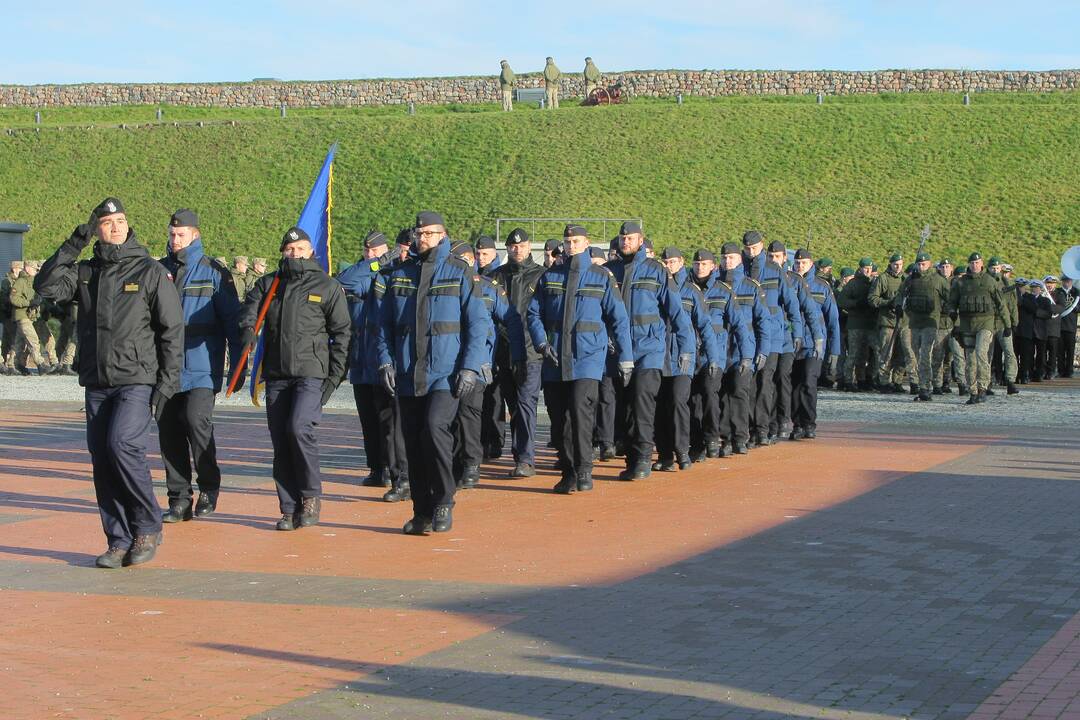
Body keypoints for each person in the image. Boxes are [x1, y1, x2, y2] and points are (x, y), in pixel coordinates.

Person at [35, 197, 184, 568]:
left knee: (123, 446)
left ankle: (148, 526)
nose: (115, 227)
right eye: (106, 222)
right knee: (102, 459)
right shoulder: (86, 272)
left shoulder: (149, 271)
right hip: (97, 381)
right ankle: (118, 539)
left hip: (136, 380)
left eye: (120, 220)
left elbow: (171, 330)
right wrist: (75, 241)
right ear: (96, 229)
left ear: (128, 225)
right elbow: (46, 284)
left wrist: (167, 383)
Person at [375, 212, 489, 535]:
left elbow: (479, 323)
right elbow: (383, 326)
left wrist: (469, 367)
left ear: (442, 235)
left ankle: (443, 501)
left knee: (434, 427)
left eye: (428, 233)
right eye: (418, 232)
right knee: (412, 441)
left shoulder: (459, 271)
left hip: (446, 372)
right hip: (409, 372)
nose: (421, 238)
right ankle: (422, 510)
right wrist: (385, 361)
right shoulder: (399, 274)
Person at [240, 226, 351, 531]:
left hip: (311, 372)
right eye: (289, 250)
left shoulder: (327, 286)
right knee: (281, 440)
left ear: (310, 251)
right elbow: (249, 308)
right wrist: (248, 328)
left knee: (299, 428)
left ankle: (311, 496)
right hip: (277, 373)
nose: (294, 254)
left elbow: (343, 334)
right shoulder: (270, 284)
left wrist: (333, 378)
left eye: (300, 248)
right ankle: (289, 508)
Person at [527, 224, 631, 493]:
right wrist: (541, 342)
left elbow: (618, 319)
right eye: (568, 241)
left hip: (587, 358)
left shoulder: (601, 277)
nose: (571, 245)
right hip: (554, 359)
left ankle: (584, 470)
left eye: (576, 241)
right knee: (559, 418)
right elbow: (533, 313)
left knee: (580, 413)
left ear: (586, 243)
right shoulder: (550, 276)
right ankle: (568, 470)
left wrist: (625, 357)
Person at [157, 209, 245, 522]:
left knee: (196, 422)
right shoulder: (158, 270)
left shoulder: (214, 272)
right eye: (171, 234)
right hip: (165, 368)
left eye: (180, 234)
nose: (174, 240)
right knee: (168, 432)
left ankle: (209, 486)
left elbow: (234, 323)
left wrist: (238, 366)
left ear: (195, 235)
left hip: (201, 366)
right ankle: (178, 498)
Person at [606, 222, 694, 479]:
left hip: (649, 349)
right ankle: (632, 459)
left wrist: (686, 349)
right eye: (622, 238)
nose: (625, 242)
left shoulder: (656, 271)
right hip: (618, 352)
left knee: (642, 402)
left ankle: (643, 459)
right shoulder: (609, 272)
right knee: (622, 407)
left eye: (630, 238)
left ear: (640, 240)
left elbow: (676, 312)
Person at [449, 242, 525, 489]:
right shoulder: (443, 286)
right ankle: (453, 463)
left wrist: (517, 353)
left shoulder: (487, 287)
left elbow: (511, 319)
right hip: (446, 362)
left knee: (469, 415)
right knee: (446, 418)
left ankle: (471, 465)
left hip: (478, 363)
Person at [338, 231, 407, 499]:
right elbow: (344, 281)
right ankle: (376, 468)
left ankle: (393, 469)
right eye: (367, 251)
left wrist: (380, 265)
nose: (369, 254)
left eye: (375, 251)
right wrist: (373, 263)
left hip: (381, 361)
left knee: (387, 420)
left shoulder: (388, 276)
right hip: (360, 360)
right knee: (368, 419)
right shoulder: (367, 270)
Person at [655, 247, 720, 470]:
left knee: (678, 401)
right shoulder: (655, 287)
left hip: (684, 355)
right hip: (658, 355)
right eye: (665, 262)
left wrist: (713, 358)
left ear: (682, 262)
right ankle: (664, 455)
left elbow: (705, 326)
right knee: (659, 405)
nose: (669, 265)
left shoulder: (691, 291)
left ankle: (682, 450)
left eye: (673, 261)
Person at [489, 228, 546, 477]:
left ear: (529, 246)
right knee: (512, 403)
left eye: (521, 246)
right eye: (512, 246)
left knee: (525, 403)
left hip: (530, 350)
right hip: (502, 351)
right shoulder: (496, 277)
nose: (516, 249)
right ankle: (519, 454)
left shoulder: (541, 276)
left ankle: (525, 459)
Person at [741, 231, 801, 446]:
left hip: (773, 336)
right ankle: (747, 427)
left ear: (761, 246)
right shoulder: (740, 269)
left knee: (765, 383)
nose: (750, 252)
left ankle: (762, 429)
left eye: (754, 248)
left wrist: (797, 332)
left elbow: (791, 303)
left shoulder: (774, 270)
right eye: (747, 248)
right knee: (748, 383)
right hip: (747, 335)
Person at [711, 242, 769, 454]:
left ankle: (740, 437)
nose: (728, 262)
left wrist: (762, 350)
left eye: (732, 258)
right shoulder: (714, 286)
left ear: (740, 260)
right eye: (725, 259)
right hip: (719, 348)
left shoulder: (751, 287)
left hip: (742, 349)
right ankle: (725, 438)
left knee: (739, 391)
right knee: (721, 393)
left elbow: (763, 321)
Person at [767, 241, 823, 440]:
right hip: (772, 339)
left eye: (777, 257)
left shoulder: (795, 280)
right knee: (772, 382)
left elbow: (812, 312)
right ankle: (774, 423)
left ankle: (794, 421)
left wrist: (820, 340)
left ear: (784, 258)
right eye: (770, 256)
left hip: (794, 339)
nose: (773, 260)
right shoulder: (762, 278)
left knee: (793, 380)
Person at [792, 249, 839, 438]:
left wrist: (834, 352)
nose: (799, 266)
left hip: (814, 344)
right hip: (794, 344)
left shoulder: (822, 287)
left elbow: (833, 320)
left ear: (811, 263)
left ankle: (809, 423)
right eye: (797, 263)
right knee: (794, 384)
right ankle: (796, 423)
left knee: (809, 382)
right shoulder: (789, 284)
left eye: (803, 262)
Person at [949, 252, 1006, 404]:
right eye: (972, 263)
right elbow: (952, 304)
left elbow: (1001, 304)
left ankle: (983, 388)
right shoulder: (960, 283)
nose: (974, 265)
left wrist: (1007, 324)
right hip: (967, 324)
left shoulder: (989, 281)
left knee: (981, 353)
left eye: (977, 263)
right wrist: (954, 323)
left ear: (982, 264)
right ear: (969, 264)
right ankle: (972, 391)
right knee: (970, 359)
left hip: (985, 323)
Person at [898, 252, 950, 402]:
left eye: (924, 264)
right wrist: (898, 305)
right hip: (914, 322)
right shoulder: (911, 279)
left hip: (930, 321)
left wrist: (947, 309)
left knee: (925, 354)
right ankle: (921, 385)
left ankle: (925, 388)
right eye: (919, 264)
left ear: (929, 264)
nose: (921, 267)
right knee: (915, 355)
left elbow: (950, 297)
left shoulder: (937, 280)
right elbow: (901, 294)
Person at [868, 253, 911, 393]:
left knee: (903, 353)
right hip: (888, 322)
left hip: (904, 322)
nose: (898, 267)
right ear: (890, 264)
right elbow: (873, 299)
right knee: (886, 353)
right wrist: (888, 303)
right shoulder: (883, 279)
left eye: (900, 264)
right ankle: (884, 381)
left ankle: (897, 380)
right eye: (895, 264)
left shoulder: (906, 279)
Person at [836, 258, 876, 391]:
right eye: (865, 268)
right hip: (855, 323)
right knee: (853, 353)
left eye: (870, 269)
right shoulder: (853, 283)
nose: (868, 271)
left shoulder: (872, 283)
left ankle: (862, 379)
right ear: (860, 269)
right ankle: (847, 380)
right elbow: (841, 301)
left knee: (864, 355)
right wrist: (856, 304)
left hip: (869, 323)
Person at [9, 260, 52, 375]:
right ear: (28, 268)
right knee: (33, 340)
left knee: (20, 343)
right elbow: (13, 299)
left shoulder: (32, 282)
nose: (36, 271)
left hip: (29, 316)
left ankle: (17, 365)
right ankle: (41, 364)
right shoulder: (21, 282)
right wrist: (29, 302)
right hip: (22, 315)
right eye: (34, 269)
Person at [0, 260, 19, 375]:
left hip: (12, 314)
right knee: (13, 339)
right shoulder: (7, 281)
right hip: (8, 314)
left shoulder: (15, 281)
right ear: (15, 269)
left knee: (7, 340)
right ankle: (10, 364)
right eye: (19, 268)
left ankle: (4, 363)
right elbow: (5, 299)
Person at [1059, 276, 1078, 377]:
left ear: (1071, 281)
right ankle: (1061, 370)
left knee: (1070, 350)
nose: (1066, 283)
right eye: (1064, 281)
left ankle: (1069, 371)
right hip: (1060, 325)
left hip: (1071, 325)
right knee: (1060, 350)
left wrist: (1074, 307)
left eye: (1068, 281)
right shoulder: (1058, 291)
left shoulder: (1076, 292)